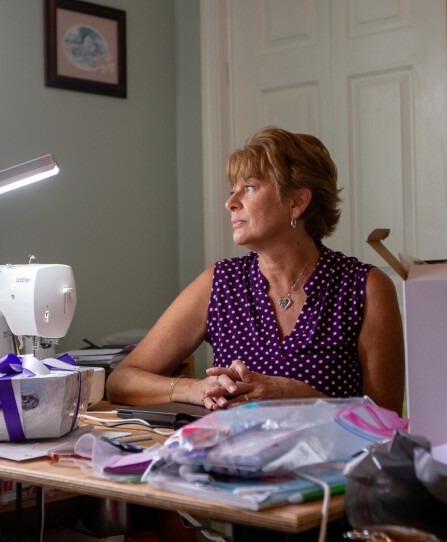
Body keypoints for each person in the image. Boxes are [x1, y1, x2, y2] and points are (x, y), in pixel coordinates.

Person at [106, 126, 404, 415]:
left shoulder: (365, 288)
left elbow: (387, 421)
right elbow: (122, 380)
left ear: (297, 201)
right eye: (232, 190)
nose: (230, 203)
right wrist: (194, 389)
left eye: (248, 188)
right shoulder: (220, 283)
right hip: (233, 461)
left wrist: (300, 397)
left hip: (332, 463)